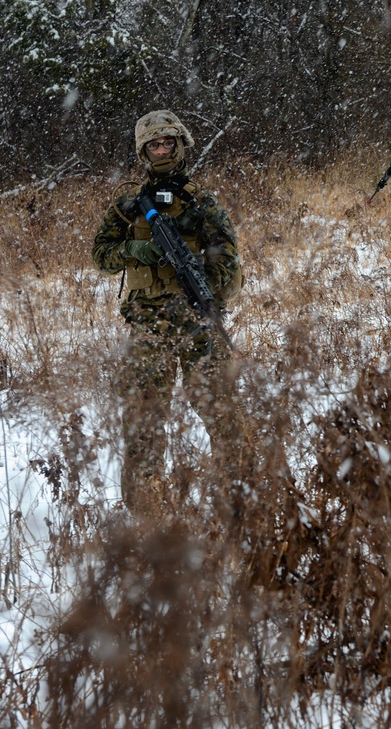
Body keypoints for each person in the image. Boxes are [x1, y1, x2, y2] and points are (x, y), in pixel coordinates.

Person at [92, 110, 246, 513]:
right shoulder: (128, 205)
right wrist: (137, 249)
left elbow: (230, 264)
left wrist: (203, 288)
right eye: (153, 145)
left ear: (181, 146)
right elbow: (101, 257)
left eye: (167, 144)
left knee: (221, 410)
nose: (161, 151)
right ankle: (147, 513)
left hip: (197, 321)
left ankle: (240, 501)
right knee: (143, 417)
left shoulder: (202, 203)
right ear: (143, 152)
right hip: (148, 323)